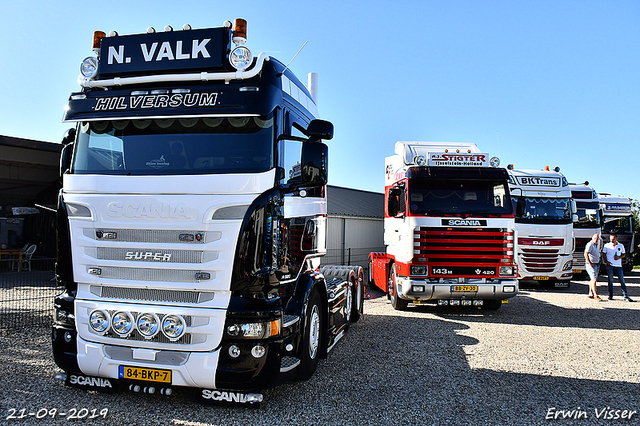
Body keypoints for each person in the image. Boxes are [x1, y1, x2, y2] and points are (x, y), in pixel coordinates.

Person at [602, 233, 634, 302]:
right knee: (610, 280)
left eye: (613, 239)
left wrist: (619, 257)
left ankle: (625, 295)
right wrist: (606, 261)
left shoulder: (621, 245)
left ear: (617, 239)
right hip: (610, 265)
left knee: (621, 280)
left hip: (618, 265)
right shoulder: (607, 245)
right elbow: (603, 253)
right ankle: (610, 295)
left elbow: (624, 254)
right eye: (611, 239)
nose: (612, 240)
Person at [584, 233, 602, 301]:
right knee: (594, 279)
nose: (596, 240)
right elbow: (586, 254)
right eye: (595, 238)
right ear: (592, 238)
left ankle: (590, 293)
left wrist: (599, 260)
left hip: (596, 264)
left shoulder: (597, 245)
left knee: (592, 279)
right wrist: (590, 263)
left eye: (597, 239)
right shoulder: (590, 244)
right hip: (591, 265)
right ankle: (595, 295)